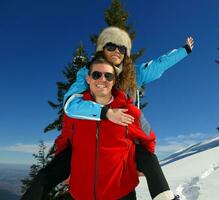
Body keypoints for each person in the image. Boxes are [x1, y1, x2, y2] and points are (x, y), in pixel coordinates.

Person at [21, 27, 193, 200]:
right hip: (91, 126)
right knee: (56, 168)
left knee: (146, 156)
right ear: (102, 48)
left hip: (122, 134)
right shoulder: (87, 73)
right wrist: (106, 112)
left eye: (122, 48)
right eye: (111, 46)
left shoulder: (133, 74)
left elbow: (160, 64)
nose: (117, 51)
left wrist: (183, 51)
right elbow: (71, 105)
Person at [55, 58, 157, 200]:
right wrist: (64, 171)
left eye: (108, 76)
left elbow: (149, 138)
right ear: (88, 78)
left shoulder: (129, 111)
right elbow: (63, 142)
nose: (102, 79)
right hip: (81, 194)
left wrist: (140, 165)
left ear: (114, 81)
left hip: (122, 193)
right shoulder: (75, 113)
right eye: (97, 75)